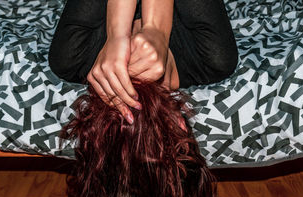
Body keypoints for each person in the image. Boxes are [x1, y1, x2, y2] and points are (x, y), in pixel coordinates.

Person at [49, 0, 238, 125]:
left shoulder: (72, 56)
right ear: (179, 124)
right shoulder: (213, 57)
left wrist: (118, 34)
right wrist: (156, 31)